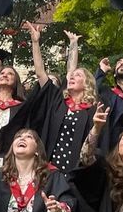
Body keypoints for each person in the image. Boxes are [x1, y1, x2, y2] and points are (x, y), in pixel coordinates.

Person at [23, 21, 98, 172]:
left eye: (78, 76)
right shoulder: (59, 101)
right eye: (72, 76)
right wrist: (35, 42)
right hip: (50, 169)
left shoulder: (92, 110)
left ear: (87, 83)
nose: (72, 77)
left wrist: (74, 44)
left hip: (76, 173)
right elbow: (40, 73)